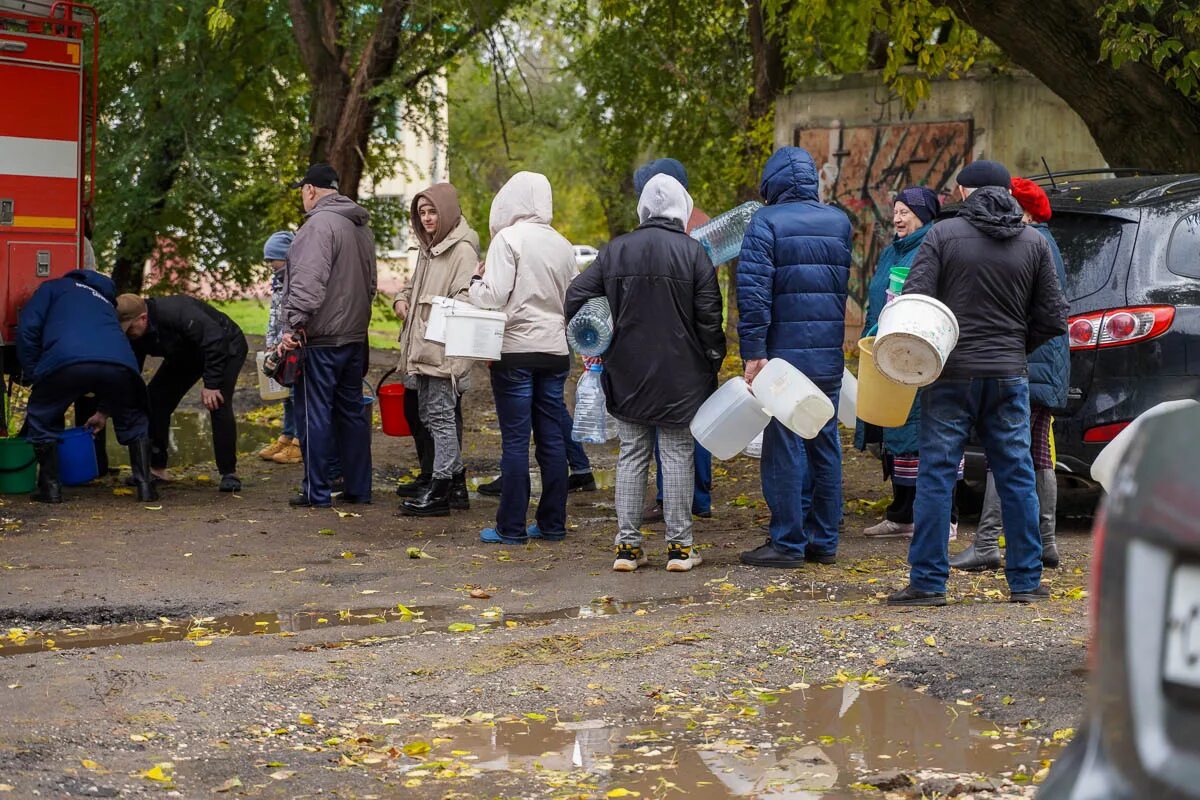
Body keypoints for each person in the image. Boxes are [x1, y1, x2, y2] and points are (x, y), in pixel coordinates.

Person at [886, 160, 1069, 607]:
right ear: (1007, 192)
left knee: (936, 475)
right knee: (1017, 474)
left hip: (950, 375)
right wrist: (1014, 346)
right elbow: (1053, 317)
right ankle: (1025, 582)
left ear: (965, 193)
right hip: (1008, 375)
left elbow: (915, 300)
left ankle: (928, 583)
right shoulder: (1033, 242)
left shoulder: (943, 236)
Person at [566, 174, 725, 572]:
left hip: (626, 370)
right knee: (676, 455)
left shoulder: (615, 250)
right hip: (682, 375)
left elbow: (575, 295)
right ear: (681, 207)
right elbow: (710, 318)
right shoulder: (694, 253)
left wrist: (596, 339)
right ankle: (680, 548)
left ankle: (627, 548)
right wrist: (712, 360)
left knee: (632, 454)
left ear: (644, 208)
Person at [737, 146, 852, 569]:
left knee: (784, 445)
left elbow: (753, 295)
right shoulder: (840, 222)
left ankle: (787, 541)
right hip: (827, 357)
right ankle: (824, 540)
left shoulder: (764, 222)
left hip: (784, 361)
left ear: (772, 182)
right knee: (824, 443)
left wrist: (753, 354)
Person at [951, 176, 1069, 572]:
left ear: (1027, 211)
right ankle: (1047, 543)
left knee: (1008, 452)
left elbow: (1041, 314)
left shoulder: (1030, 243)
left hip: (1028, 364)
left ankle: (987, 542)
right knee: (1038, 453)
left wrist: (1018, 348)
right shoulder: (1044, 242)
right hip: (1046, 366)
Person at [469, 171, 575, 544]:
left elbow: (493, 295)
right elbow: (573, 298)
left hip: (515, 350)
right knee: (552, 440)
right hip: (556, 351)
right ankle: (552, 524)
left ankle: (510, 527)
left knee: (515, 441)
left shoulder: (508, 240)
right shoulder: (563, 244)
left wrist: (474, 282)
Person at [855, 188, 963, 539]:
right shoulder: (891, 251)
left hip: (920, 349)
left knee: (928, 435)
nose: (897, 218)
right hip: (889, 347)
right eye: (896, 211)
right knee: (896, 431)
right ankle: (902, 514)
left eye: (905, 212)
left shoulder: (932, 247)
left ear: (923, 214)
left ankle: (946, 518)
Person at [279, 163, 377, 508]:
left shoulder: (318, 225)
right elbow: (371, 284)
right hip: (354, 335)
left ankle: (316, 491)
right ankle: (359, 489)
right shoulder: (360, 226)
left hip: (320, 338)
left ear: (310, 190)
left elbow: (307, 282)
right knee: (351, 413)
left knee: (313, 412)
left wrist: (293, 326)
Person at [16, 269, 157, 503]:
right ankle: (145, 487)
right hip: (120, 363)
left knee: (43, 416)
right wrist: (105, 405)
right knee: (133, 416)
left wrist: (34, 373)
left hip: (67, 360)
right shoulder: (105, 301)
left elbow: (28, 329)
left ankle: (50, 489)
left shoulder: (53, 287)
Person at [631, 158, 715, 523]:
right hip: (695, 342)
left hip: (667, 341)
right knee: (696, 423)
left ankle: (673, 500)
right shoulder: (704, 223)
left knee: (669, 429)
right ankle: (697, 498)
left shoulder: (673, 231)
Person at [392, 183, 479, 517]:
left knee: (441, 418)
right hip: (424, 347)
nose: (427, 218)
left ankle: (441, 489)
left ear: (447, 212)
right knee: (429, 414)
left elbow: (465, 297)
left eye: (432, 212)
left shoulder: (461, 250)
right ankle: (455, 483)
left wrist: (431, 313)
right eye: (422, 213)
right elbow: (416, 287)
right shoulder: (430, 248)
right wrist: (404, 299)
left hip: (444, 349)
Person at [116, 294, 249, 492]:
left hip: (225, 345)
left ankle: (228, 473)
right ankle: (157, 469)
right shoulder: (136, 333)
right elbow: (132, 370)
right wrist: (107, 407)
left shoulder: (176, 312)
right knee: (154, 399)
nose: (129, 334)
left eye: (130, 328)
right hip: (186, 352)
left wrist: (211, 384)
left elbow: (214, 339)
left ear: (143, 318)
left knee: (217, 402)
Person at [258, 230, 302, 465]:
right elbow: (274, 315)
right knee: (285, 393)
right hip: (279, 347)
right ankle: (287, 435)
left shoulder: (296, 281)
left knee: (295, 393)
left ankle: (299, 442)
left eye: (272, 260)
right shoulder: (278, 282)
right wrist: (271, 341)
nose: (270, 265)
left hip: (292, 346)